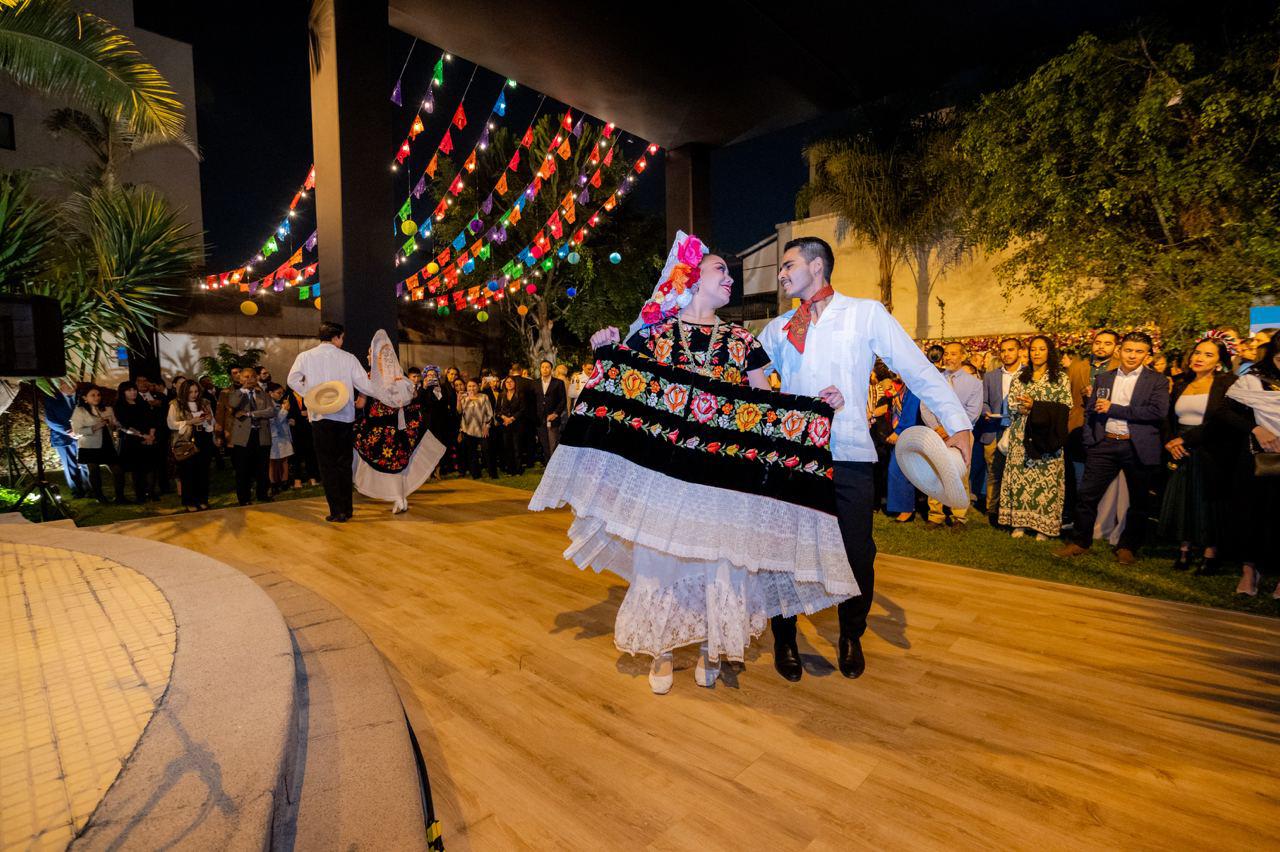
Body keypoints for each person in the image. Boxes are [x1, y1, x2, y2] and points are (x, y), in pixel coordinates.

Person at [556, 230, 838, 695]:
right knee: (661, 561)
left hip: (721, 480)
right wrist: (604, 350)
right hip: (666, 480)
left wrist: (816, 408)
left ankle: (712, 646)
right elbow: (619, 387)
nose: (730, 278)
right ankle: (662, 649)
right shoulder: (654, 337)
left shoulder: (743, 340)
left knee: (719, 563)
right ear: (690, 277)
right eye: (720, 269)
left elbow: (767, 404)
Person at [759, 235, 972, 682]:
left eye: (788, 264)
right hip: (795, 456)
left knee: (857, 551)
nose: (781, 273)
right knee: (784, 551)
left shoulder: (864, 314)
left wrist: (959, 424)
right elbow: (745, 375)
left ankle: (851, 632)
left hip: (850, 452)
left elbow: (916, 368)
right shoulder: (778, 329)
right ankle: (785, 638)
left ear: (817, 266)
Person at [1055, 332, 1170, 564]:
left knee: (1138, 500)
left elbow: (1157, 412)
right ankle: (1080, 541)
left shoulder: (1157, 380)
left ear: (1147, 355)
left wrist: (1114, 408)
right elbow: (1090, 411)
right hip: (1104, 443)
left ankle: (1127, 546)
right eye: (1128, 350)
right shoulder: (1104, 378)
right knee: (1087, 495)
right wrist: (1091, 440)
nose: (1132, 355)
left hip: (1136, 445)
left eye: (1139, 351)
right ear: (1120, 351)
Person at [1157, 335, 1243, 575]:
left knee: (1208, 501)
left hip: (1211, 449)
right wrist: (1170, 441)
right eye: (1197, 353)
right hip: (1180, 448)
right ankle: (1184, 549)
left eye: (1208, 354)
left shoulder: (1228, 384)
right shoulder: (1181, 383)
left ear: (1219, 361)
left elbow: (1221, 421)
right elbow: (1167, 417)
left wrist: (1187, 439)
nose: (1199, 358)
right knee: (1184, 499)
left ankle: (1210, 553)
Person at [287, 322, 377, 522]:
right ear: (336, 337)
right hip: (344, 415)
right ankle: (347, 509)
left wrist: (311, 394)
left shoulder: (305, 356)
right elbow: (365, 385)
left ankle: (336, 511)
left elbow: (292, 380)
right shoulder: (348, 358)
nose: (342, 341)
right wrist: (383, 389)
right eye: (342, 338)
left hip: (320, 416)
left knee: (327, 464)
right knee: (344, 462)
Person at [352, 330, 444, 513]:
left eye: (370, 354)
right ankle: (400, 497)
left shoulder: (370, 378)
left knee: (382, 461)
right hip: (398, 428)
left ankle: (397, 497)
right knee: (397, 464)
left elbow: (360, 403)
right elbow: (413, 397)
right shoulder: (401, 378)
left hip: (378, 429)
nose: (368, 357)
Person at [998, 336, 1071, 540]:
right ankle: (1019, 522)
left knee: (1045, 482)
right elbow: (1011, 405)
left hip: (1047, 436)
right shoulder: (1020, 377)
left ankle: (1043, 527)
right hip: (1021, 434)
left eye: (1041, 349)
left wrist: (1036, 406)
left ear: (1050, 352)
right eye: (1033, 349)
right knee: (1020, 479)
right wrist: (1020, 408)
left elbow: (1066, 407)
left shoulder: (1060, 378)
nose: (1036, 353)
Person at [1225, 335, 1280, 596]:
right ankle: (1249, 572)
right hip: (1257, 457)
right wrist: (1257, 429)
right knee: (1250, 514)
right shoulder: (1253, 380)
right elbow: (1224, 412)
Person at [920, 342, 982, 528]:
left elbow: (973, 412)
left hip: (961, 434)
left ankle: (959, 516)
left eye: (953, 354)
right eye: (946, 354)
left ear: (963, 356)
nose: (948, 357)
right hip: (936, 434)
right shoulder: (934, 380)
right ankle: (935, 515)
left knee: (960, 474)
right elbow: (925, 405)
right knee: (935, 472)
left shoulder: (974, 383)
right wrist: (936, 427)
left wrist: (950, 429)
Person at [1066, 330, 1120, 528]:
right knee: (1076, 473)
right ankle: (1075, 517)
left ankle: (1103, 520)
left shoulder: (1120, 368)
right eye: (1098, 342)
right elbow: (1067, 395)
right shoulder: (1077, 366)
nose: (1101, 347)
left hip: (1107, 427)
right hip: (1078, 425)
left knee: (1102, 476)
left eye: (1107, 343)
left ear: (1116, 347)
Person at [980, 337, 1022, 525]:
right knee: (994, 471)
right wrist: (986, 411)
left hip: (1019, 429)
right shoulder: (990, 376)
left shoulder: (1029, 374)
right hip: (995, 428)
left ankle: (1015, 511)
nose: (1006, 354)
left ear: (1019, 351)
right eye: (1003, 350)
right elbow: (983, 401)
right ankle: (992, 510)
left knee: (1017, 472)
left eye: (1011, 350)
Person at [226, 367, 276, 506]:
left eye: (252, 376)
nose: (249, 379)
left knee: (262, 467)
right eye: (246, 377)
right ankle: (244, 498)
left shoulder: (262, 394)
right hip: (243, 437)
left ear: (256, 378)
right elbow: (233, 404)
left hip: (261, 434)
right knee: (243, 468)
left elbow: (271, 411)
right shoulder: (236, 394)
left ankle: (262, 494)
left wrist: (251, 414)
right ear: (240, 379)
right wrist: (243, 390)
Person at [167, 378, 215, 511]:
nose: (194, 394)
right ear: (184, 392)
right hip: (186, 440)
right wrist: (190, 422)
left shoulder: (205, 402)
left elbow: (212, 422)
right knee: (188, 472)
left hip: (203, 437)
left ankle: (202, 499)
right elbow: (171, 423)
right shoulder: (175, 404)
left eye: (196, 391)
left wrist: (209, 419)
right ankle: (189, 501)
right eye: (190, 392)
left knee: (203, 471)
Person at [70, 386, 123, 502]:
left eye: (98, 395)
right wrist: (95, 427)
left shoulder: (107, 409)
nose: (97, 397)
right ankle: (99, 496)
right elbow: (77, 430)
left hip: (107, 443)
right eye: (93, 395)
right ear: (85, 398)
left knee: (117, 470)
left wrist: (114, 425)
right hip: (89, 445)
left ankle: (120, 497)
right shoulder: (80, 411)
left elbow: (115, 424)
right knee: (94, 471)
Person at [43, 378, 90, 496]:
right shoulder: (51, 398)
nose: (70, 385)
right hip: (63, 436)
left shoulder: (83, 397)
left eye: (73, 383)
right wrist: (67, 431)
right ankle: (77, 491)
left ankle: (89, 489)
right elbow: (50, 420)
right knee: (70, 465)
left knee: (86, 462)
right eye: (66, 383)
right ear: (60, 385)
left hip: (83, 435)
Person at [112, 381, 157, 503]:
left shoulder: (142, 403)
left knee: (149, 467)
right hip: (130, 440)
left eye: (134, 389)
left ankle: (150, 492)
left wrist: (151, 435)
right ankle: (139, 495)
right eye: (129, 390)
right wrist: (143, 436)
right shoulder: (120, 406)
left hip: (148, 439)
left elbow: (152, 419)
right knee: (136, 469)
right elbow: (125, 425)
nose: (133, 392)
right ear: (123, 392)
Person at [456, 379, 493, 479]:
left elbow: (489, 413)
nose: (471, 388)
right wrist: (458, 400)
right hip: (468, 429)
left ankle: (492, 473)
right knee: (472, 453)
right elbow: (459, 411)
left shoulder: (484, 397)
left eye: (474, 386)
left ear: (478, 387)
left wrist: (487, 426)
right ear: (466, 387)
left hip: (482, 429)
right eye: (469, 386)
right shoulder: (463, 397)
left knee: (486, 450)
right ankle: (476, 474)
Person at [533, 359, 567, 463]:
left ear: (551, 369)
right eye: (543, 367)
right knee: (544, 445)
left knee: (553, 444)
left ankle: (555, 465)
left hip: (553, 418)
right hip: (539, 420)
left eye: (547, 367)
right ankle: (548, 465)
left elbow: (563, 400)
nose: (545, 369)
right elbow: (531, 401)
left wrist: (555, 413)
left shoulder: (558, 383)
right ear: (540, 369)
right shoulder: (535, 383)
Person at [495, 376, 528, 475]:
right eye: (507, 382)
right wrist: (504, 418)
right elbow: (497, 410)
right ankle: (510, 469)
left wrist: (512, 418)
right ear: (504, 384)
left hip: (517, 424)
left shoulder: (520, 394)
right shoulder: (501, 395)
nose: (509, 383)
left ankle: (518, 469)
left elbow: (523, 409)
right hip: (505, 425)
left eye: (511, 382)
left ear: (515, 383)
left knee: (517, 447)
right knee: (507, 447)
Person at [266, 383, 294, 496]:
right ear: (270, 393)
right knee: (272, 461)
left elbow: (281, 420)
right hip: (274, 436)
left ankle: (284, 481)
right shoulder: (268, 405)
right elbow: (274, 421)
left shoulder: (278, 404)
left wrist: (289, 421)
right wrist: (285, 410)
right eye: (278, 393)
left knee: (284, 459)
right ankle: (273, 483)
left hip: (283, 435)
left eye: (282, 393)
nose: (281, 395)